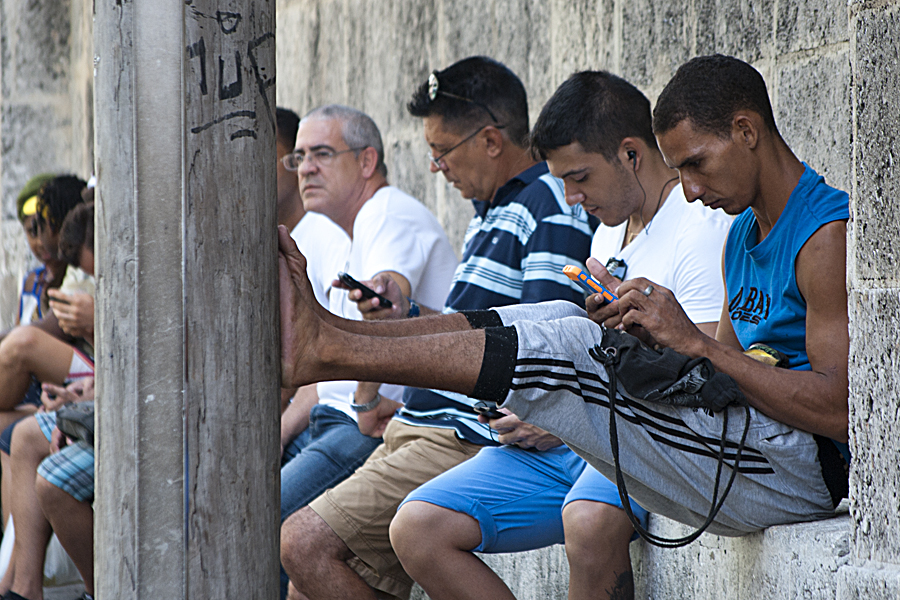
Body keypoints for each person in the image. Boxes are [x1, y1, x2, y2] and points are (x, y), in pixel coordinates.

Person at [277, 53, 849, 570]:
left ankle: (331, 351)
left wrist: (692, 343)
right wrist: (650, 336)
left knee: (570, 347)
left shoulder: (823, 233)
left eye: (696, 165)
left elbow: (839, 409)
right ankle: (338, 335)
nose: (692, 190)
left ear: (746, 130)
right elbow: (718, 375)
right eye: (682, 172)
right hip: (740, 442)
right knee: (560, 317)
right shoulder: (743, 230)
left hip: (799, 467)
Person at [389, 70, 732, 600]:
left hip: (649, 432)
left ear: (631, 155)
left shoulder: (700, 226)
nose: (571, 198)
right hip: (583, 432)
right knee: (417, 528)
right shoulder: (608, 228)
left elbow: (709, 369)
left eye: (579, 178)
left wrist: (570, 407)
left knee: (589, 521)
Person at [281, 56, 596, 600]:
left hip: (456, 434)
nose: (435, 167)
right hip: (414, 422)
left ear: (491, 141)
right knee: (306, 586)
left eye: (442, 151)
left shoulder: (548, 204)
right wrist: (403, 320)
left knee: (301, 544)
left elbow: (541, 337)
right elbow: (473, 331)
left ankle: (326, 337)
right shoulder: (492, 211)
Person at [277, 104, 457, 596]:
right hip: (335, 422)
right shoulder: (351, 227)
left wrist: (363, 402)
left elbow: (386, 298)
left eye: (320, 154)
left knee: (259, 520)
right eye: (297, 158)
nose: (305, 168)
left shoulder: (386, 211)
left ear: (366, 160)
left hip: (374, 427)